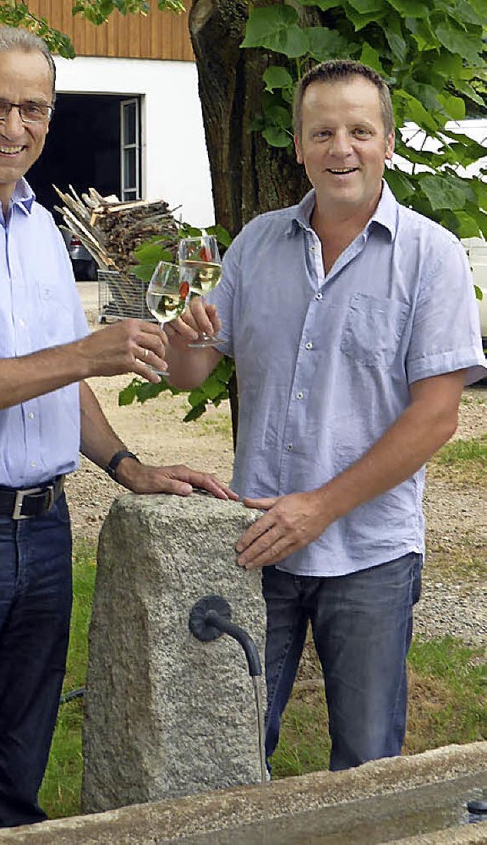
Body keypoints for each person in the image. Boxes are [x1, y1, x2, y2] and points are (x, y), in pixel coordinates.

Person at [0, 27, 236, 845]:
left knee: (16, 784)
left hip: (43, 531)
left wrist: (128, 466)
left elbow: (58, 384)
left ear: (50, 116)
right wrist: (84, 351)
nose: (12, 125)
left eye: (32, 107)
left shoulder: (34, 225)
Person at [165, 60, 487, 773]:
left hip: (370, 552)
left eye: (360, 131)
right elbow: (193, 367)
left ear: (389, 141)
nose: (343, 147)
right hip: (260, 541)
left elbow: (435, 418)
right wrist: (182, 337)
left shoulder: (431, 257)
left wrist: (319, 508)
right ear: (300, 145)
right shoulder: (252, 246)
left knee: (368, 762)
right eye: (324, 132)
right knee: (232, 751)